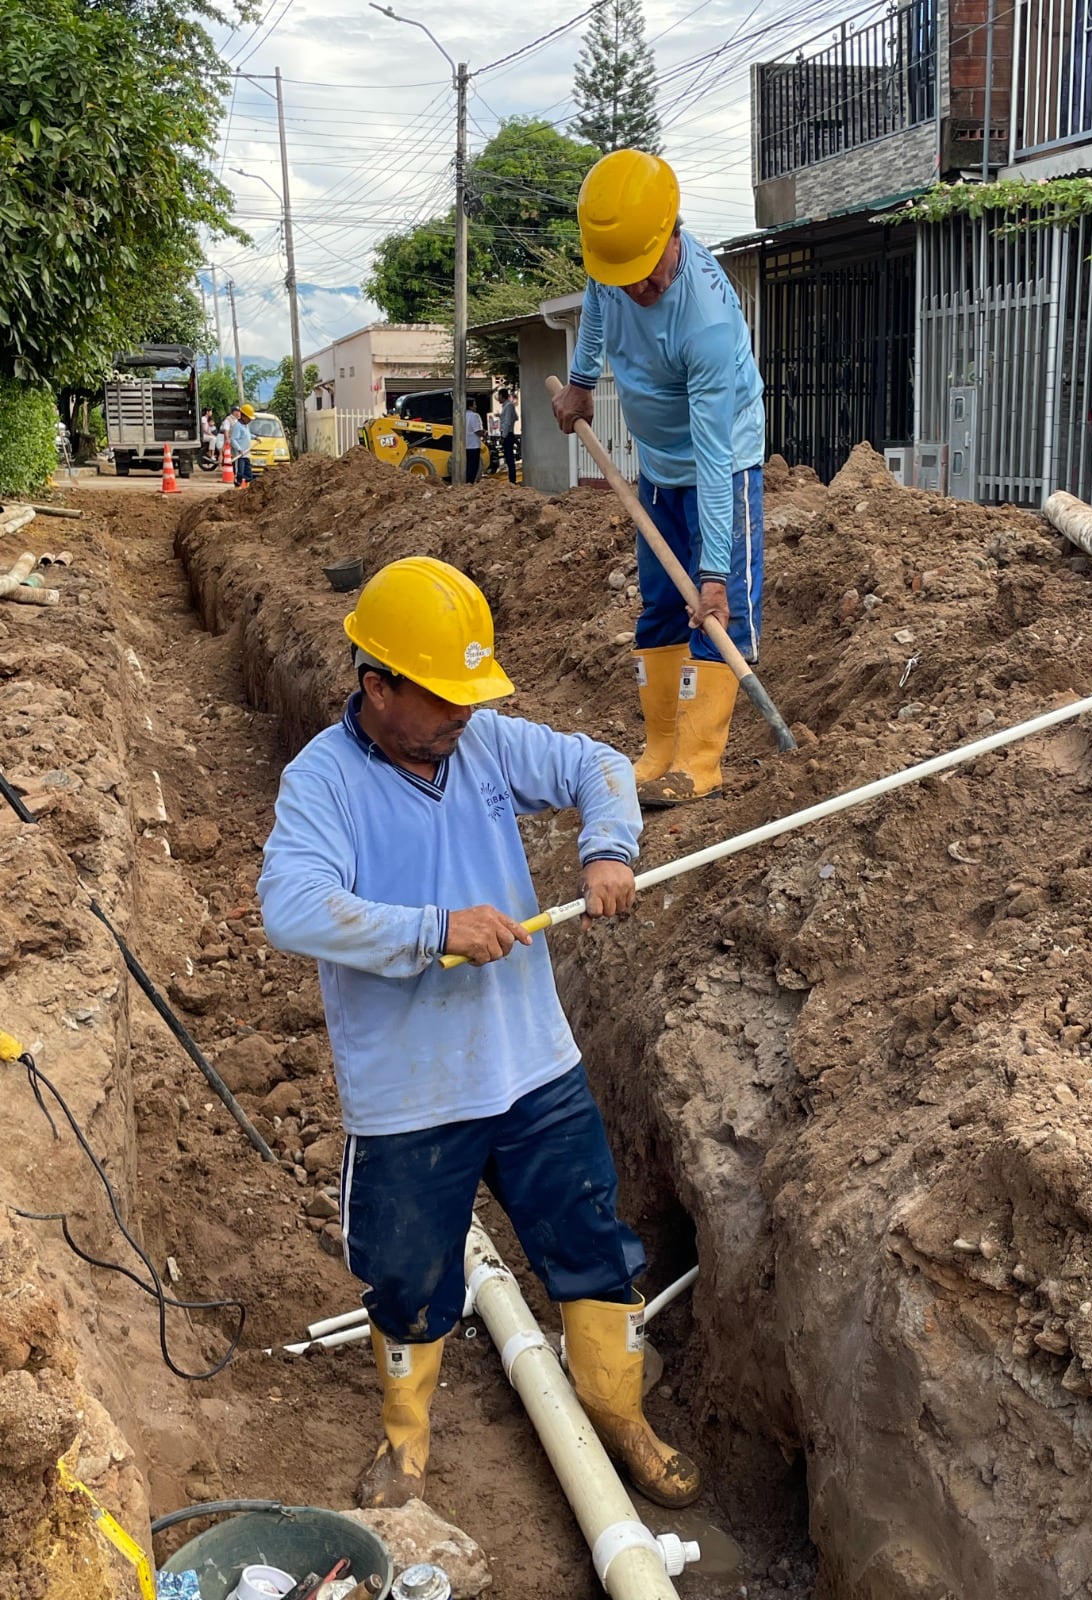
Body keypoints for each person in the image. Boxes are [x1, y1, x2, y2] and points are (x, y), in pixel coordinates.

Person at [257, 557, 701, 1514]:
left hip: (533, 1070)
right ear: (377, 685)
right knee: (409, 1281)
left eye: (472, 693)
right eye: (445, 695)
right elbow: (291, 908)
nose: (465, 712)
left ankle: (619, 1414)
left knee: (592, 1248)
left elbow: (598, 764)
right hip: (410, 1099)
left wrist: (609, 846)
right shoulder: (322, 782)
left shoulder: (486, 743)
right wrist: (433, 929)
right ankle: (407, 1449)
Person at [552, 149, 765, 809]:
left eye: (648, 277)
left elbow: (711, 454)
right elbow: (595, 305)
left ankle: (700, 762)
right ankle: (660, 751)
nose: (638, 291)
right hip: (657, 466)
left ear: (673, 234)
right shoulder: (614, 268)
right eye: (626, 280)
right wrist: (583, 384)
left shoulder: (703, 319)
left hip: (718, 466)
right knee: (657, 606)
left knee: (713, 610)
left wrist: (713, 574)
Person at [229, 402, 254, 488]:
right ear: (243, 416)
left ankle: (248, 489)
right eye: (249, 418)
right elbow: (233, 439)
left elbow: (248, 435)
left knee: (248, 473)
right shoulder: (237, 426)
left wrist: (255, 437)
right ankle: (237, 489)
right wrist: (239, 449)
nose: (250, 420)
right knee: (239, 473)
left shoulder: (245, 426)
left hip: (246, 455)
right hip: (240, 455)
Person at [497, 387, 519, 484]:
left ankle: (512, 479)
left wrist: (503, 436)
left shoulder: (508, 406)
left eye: (499, 396)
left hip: (507, 434)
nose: (498, 398)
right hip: (507, 433)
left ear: (502, 396)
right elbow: (515, 417)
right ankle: (512, 478)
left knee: (509, 457)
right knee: (508, 456)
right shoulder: (508, 406)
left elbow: (507, 422)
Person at [464, 396, 484, 484]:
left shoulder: (462, 415)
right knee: (474, 465)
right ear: (470, 406)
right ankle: (470, 482)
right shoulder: (474, 416)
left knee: (468, 465)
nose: (476, 406)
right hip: (474, 445)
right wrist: (484, 434)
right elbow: (477, 430)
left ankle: (467, 482)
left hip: (466, 444)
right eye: (474, 404)